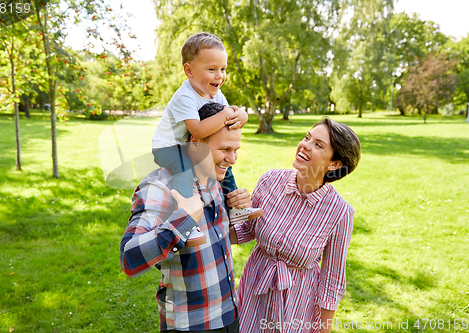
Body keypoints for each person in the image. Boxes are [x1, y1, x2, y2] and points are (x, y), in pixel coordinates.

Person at [120, 103, 255, 332]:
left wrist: (243, 213)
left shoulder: (216, 179)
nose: (232, 159)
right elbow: (129, 258)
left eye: (236, 149)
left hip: (230, 313)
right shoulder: (160, 187)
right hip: (190, 324)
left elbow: (217, 238)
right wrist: (183, 220)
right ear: (195, 143)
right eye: (224, 150)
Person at [231, 117, 361, 333]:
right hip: (254, 290)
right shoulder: (270, 180)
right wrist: (220, 218)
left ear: (334, 164)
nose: (305, 145)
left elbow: (331, 283)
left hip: (297, 305)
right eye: (307, 137)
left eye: (318, 145)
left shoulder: (340, 213)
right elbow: (246, 230)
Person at [151, 32, 262, 246]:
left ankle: (235, 209)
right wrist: (224, 115)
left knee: (225, 165)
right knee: (183, 168)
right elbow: (199, 130)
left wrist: (242, 115)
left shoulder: (215, 94)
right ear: (189, 71)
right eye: (211, 69)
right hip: (167, 147)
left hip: (187, 144)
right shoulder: (185, 96)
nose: (219, 75)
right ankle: (187, 221)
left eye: (223, 69)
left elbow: (230, 113)